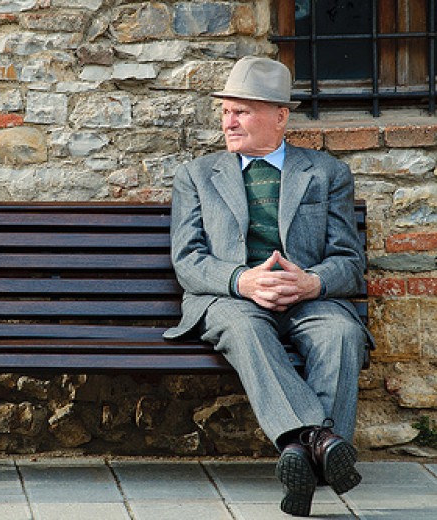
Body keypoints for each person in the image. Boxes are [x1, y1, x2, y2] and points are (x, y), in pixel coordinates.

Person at [163, 56, 373, 517]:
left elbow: (349, 261)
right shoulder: (197, 176)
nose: (228, 121)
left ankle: (298, 455)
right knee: (245, 330)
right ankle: (319, 440)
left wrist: (312, 282)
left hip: (307, 299)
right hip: (229, 300)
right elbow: (189, 260)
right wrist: (243, 279)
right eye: (225, 111)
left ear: (280, 116)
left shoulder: (325, 173)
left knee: (342, 333)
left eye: (242, 111)